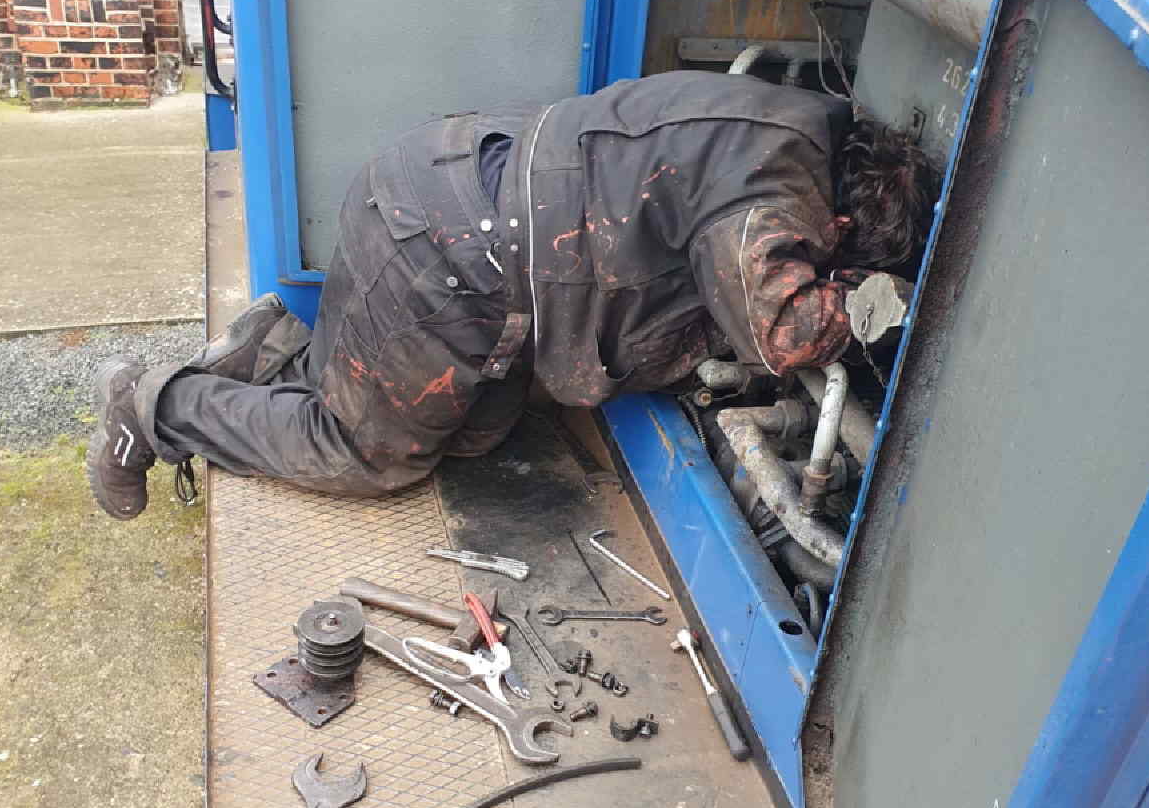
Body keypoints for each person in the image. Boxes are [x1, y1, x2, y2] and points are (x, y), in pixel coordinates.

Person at [86, 71, 939, 520]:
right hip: (447, 260)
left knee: (478, 434)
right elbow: (780, 335)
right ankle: (158, 408)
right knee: (370, 456)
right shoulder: (781, 193)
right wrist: (876, 299)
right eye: (830, 256)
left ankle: (272, 351)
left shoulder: (793, 118)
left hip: (438, 189)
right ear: (839, 222)